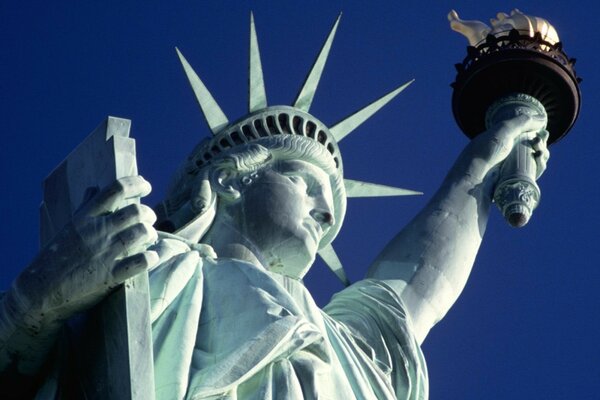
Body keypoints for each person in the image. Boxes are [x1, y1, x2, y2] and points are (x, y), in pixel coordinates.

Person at [0, 15, 549, 400]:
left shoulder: (342, 343)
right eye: (306, 182)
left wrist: (490, 153)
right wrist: (36, 303)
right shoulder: (142, 265)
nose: (328, 214)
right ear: (234, 180)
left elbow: (419, 285)